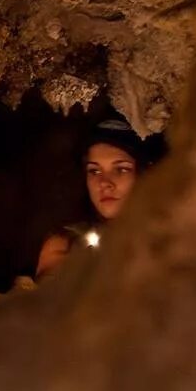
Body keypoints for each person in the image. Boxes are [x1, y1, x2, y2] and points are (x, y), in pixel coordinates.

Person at [35, 117, 149, 279]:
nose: (104, 183)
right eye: (94, 171)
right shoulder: (64, 245)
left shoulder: (174, 240)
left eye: (121, 169)